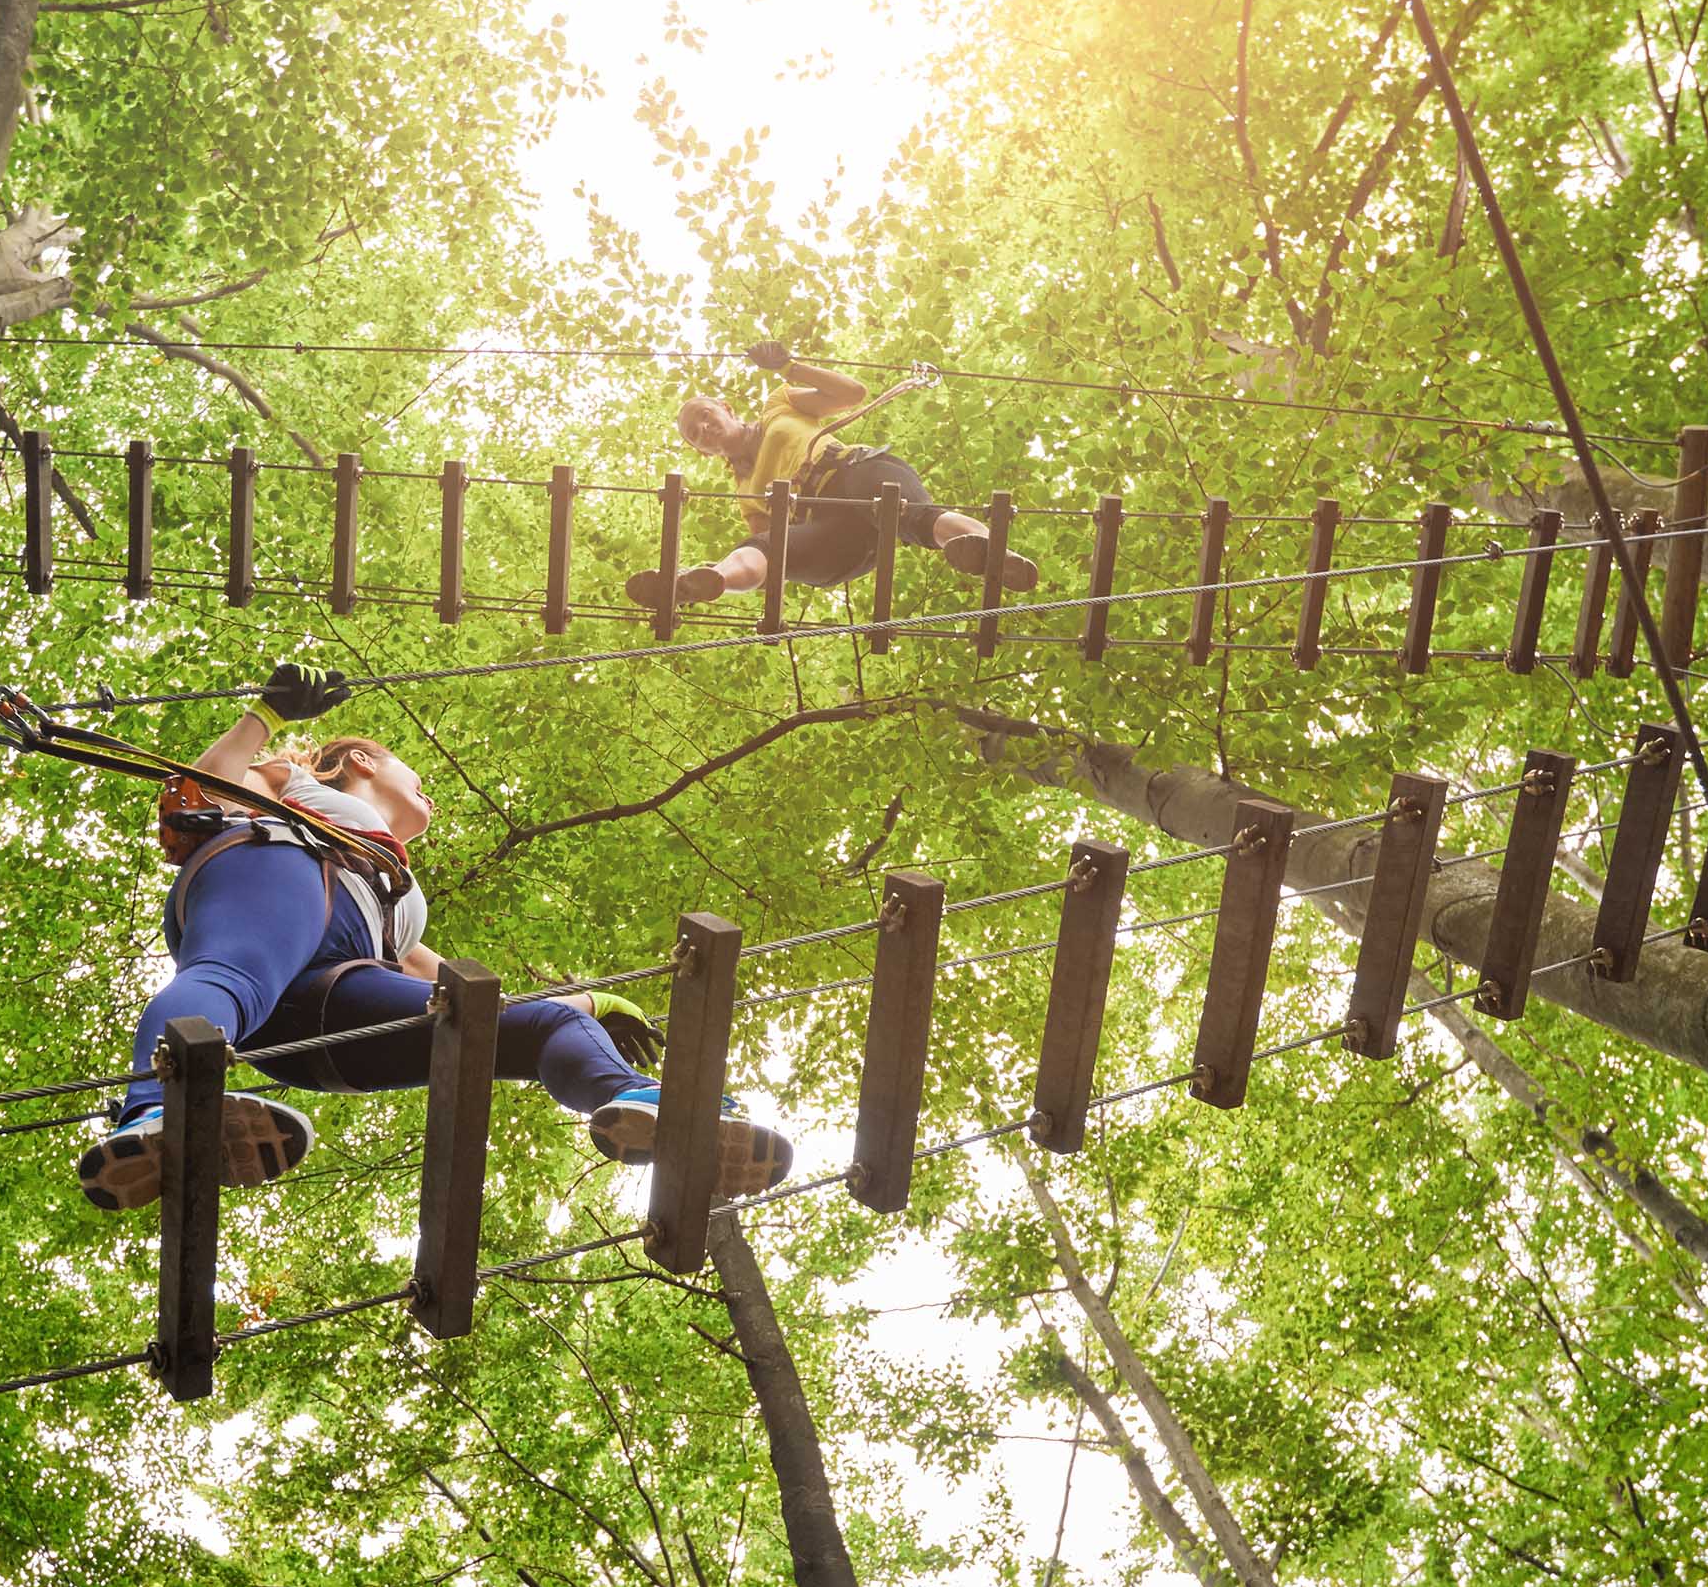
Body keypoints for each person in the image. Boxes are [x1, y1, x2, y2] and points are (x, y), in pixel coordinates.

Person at [75, 661, 794, 1213]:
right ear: (361, 761)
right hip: (278, 873)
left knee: (524, 1028)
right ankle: (154, 1109)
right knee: (234, 975)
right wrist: (264, 715)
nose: (430, 794)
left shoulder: (401, 900)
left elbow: (462, 998)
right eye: (410, 773)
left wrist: (591, 1004)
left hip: (334, 996)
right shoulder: (294, 782)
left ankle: (647, 1105)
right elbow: (202, 791)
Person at [628, 340, 1040, 614]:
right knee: (762, 548)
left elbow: (851, 394)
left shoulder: (778, 408)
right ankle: (703, 581)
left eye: (704, 415)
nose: (704, 427)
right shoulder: (745, 494)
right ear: (702, 450)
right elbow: (778, 546)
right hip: (831, 535)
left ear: (726, 407)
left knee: (913, 516)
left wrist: (789, 366)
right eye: (695, 433)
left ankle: (992, 554)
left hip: (852, 473)